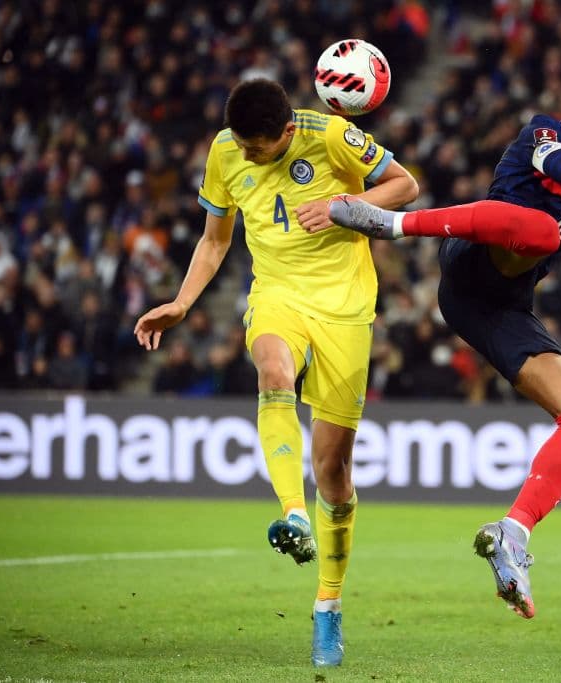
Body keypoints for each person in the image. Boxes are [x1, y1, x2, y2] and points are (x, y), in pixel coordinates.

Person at [321, 74, 561, 619]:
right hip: (469, 260)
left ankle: (512, 534)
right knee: (543, 231)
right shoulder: (543, 134)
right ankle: (393, 223)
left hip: (500, 306)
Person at [133, 78, 418, 667]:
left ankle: (328, 608)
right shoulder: (224, 149)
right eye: (240, 144)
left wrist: (343, 207)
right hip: (277, 295)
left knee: (334, 473)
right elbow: (215, 241)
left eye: (257, 148)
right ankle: (292, 513)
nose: (247, 154)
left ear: (286, 133)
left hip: (346, 307)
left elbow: (405, 185)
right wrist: (183, 303)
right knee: (271, 371)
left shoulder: (332, 136)